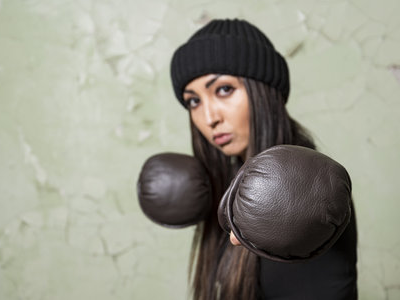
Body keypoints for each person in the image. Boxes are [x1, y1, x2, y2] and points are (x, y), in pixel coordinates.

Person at [138, 19, 357, 299]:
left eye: (224, 90)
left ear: (263, 92)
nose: (209, 118)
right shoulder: (235, 179)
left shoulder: (305, 183)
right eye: (194, 101)